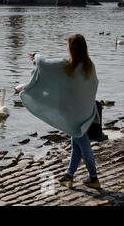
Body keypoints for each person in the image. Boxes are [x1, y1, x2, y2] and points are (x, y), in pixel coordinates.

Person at [27, 34, 100, 189]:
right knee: (76, 143)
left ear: (71, 49)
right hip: (86, 111)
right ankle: (69, 175)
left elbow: (44, 63)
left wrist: (35, 55)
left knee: (82, 142)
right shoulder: (90, 66)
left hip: (72, 115)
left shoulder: (67, 64)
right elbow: (94, 86)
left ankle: (94, 177)